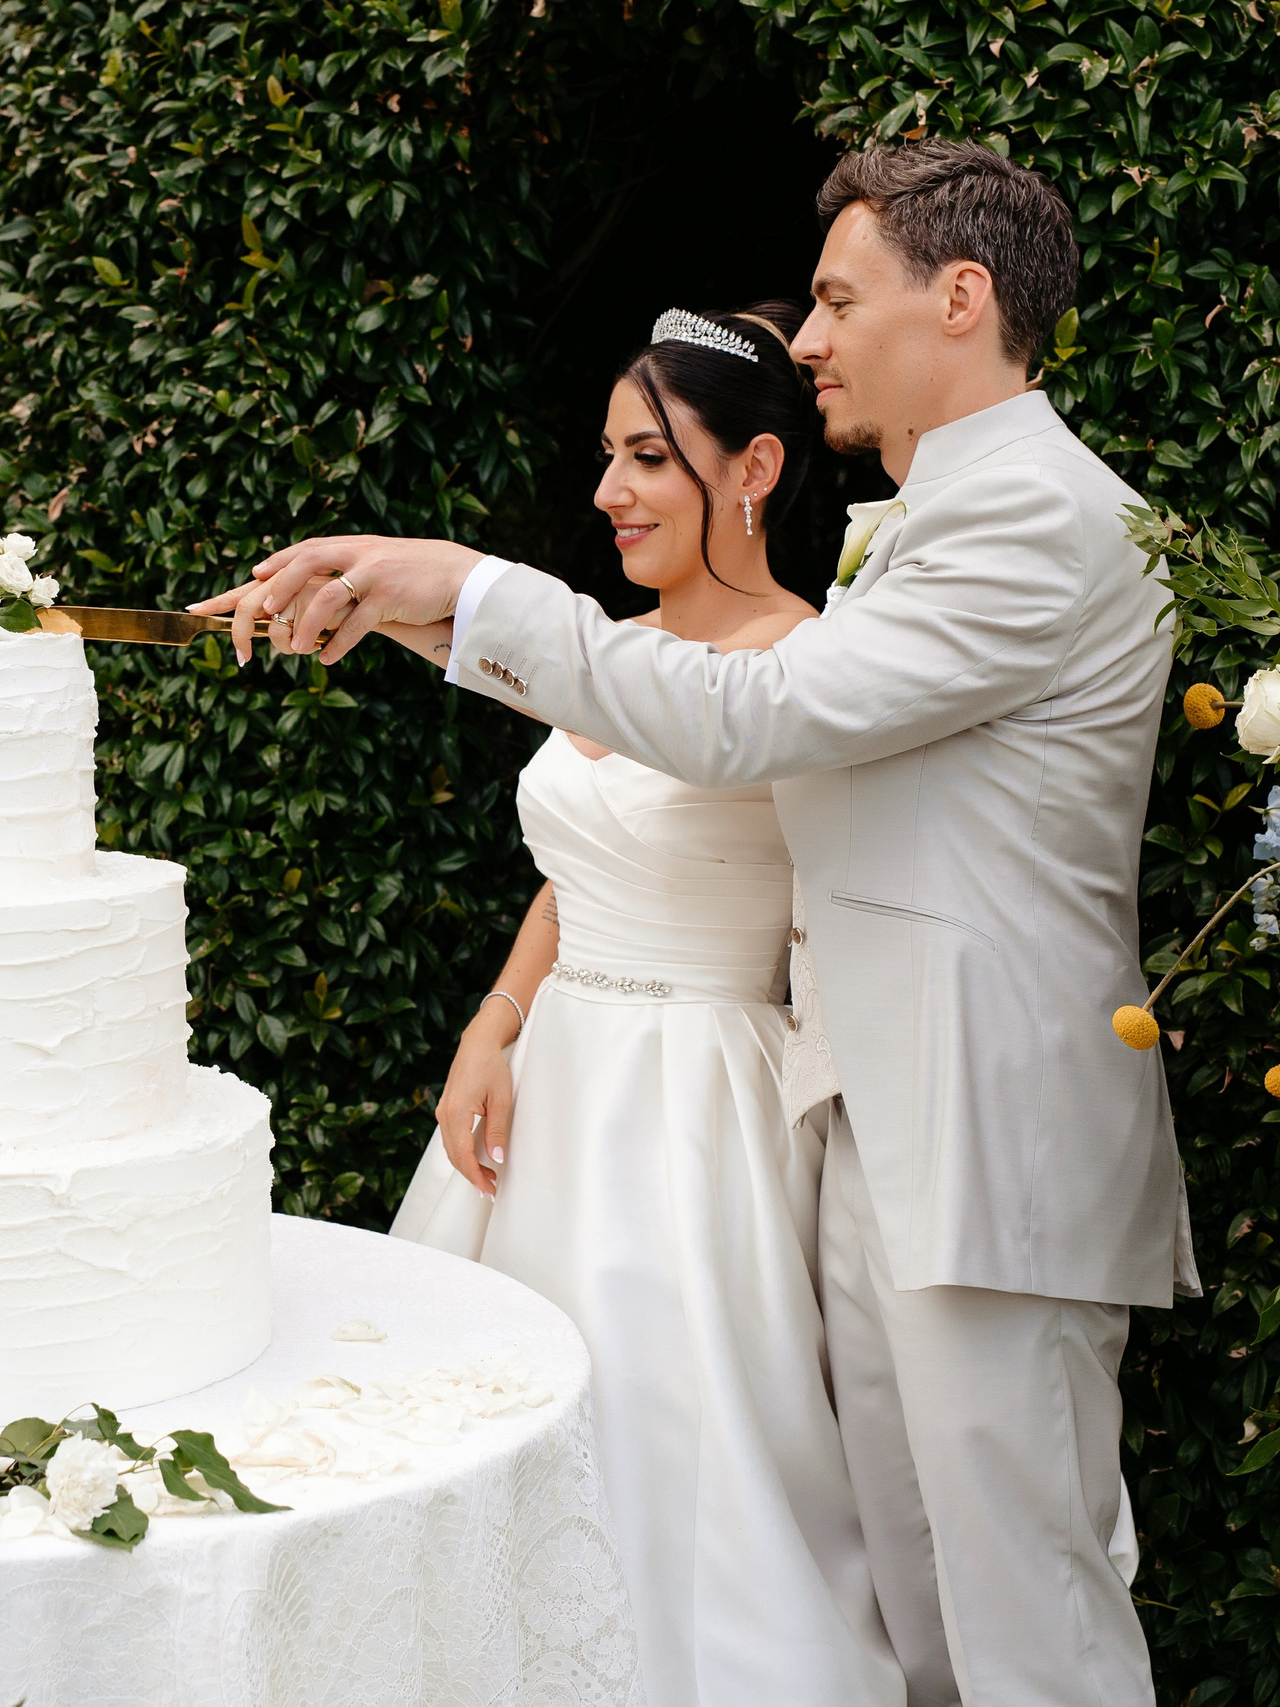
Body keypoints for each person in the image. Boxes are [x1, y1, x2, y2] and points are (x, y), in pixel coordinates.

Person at [198, 140, 1199, 1707]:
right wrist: (426, 619)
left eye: (835, 298)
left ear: (961, 297)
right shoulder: (925, 522)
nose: (808, 341)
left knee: (1028, 1613)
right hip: (880, 1115)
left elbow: (752, 717)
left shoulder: (1037, 523)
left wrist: (473, 587)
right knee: (927, 1598)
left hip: (990, 1139)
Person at [388, 299, 905, 1707]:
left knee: (674, 1438)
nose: (609, 492)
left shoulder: (816, 670)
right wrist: (497, 1021)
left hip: (699, 1108)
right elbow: (583, 861)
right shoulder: (600, 647)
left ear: (752, 472)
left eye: (650, 459)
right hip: (553, 1085)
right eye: (608, 456)